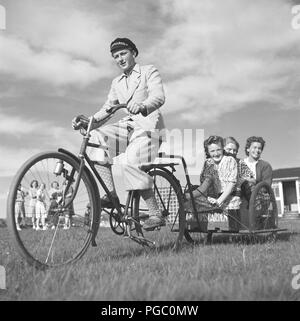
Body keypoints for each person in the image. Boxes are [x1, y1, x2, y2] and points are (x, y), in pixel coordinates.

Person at [72, 37, 166, 231]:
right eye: (116, 56)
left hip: (149, 125)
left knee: (132, 159)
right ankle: (111, 195)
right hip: (128, 126)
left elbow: (159, 96)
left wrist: (142, 105)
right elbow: (107, 109)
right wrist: (88, 122)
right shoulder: (117, 82)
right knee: (96, 137)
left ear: (133, 53)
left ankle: (155, 213)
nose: (120, 59)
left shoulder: (149, 71)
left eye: (123, 53)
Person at [185, 135, 240, 231]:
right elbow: (205, 184)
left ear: (223, 149)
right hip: (214, 196)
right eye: (212, 151)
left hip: (229, 195)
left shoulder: (230, 161)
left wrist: (219, 201)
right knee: (194, 201)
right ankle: (198, 225)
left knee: (232, 204)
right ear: (208, 152)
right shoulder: (208, 163)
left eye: (218, 150)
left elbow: (232, 184)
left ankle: (229, 227)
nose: (216, 153)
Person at [242, 136, 273, 201]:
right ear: (248, 149)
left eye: (259, 148)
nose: (257, 150)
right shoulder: (240, 163)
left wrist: (255, 182)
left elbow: (266, 186)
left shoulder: (265, 166)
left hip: (257, 200)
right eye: (254, 147)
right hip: (240, 200)